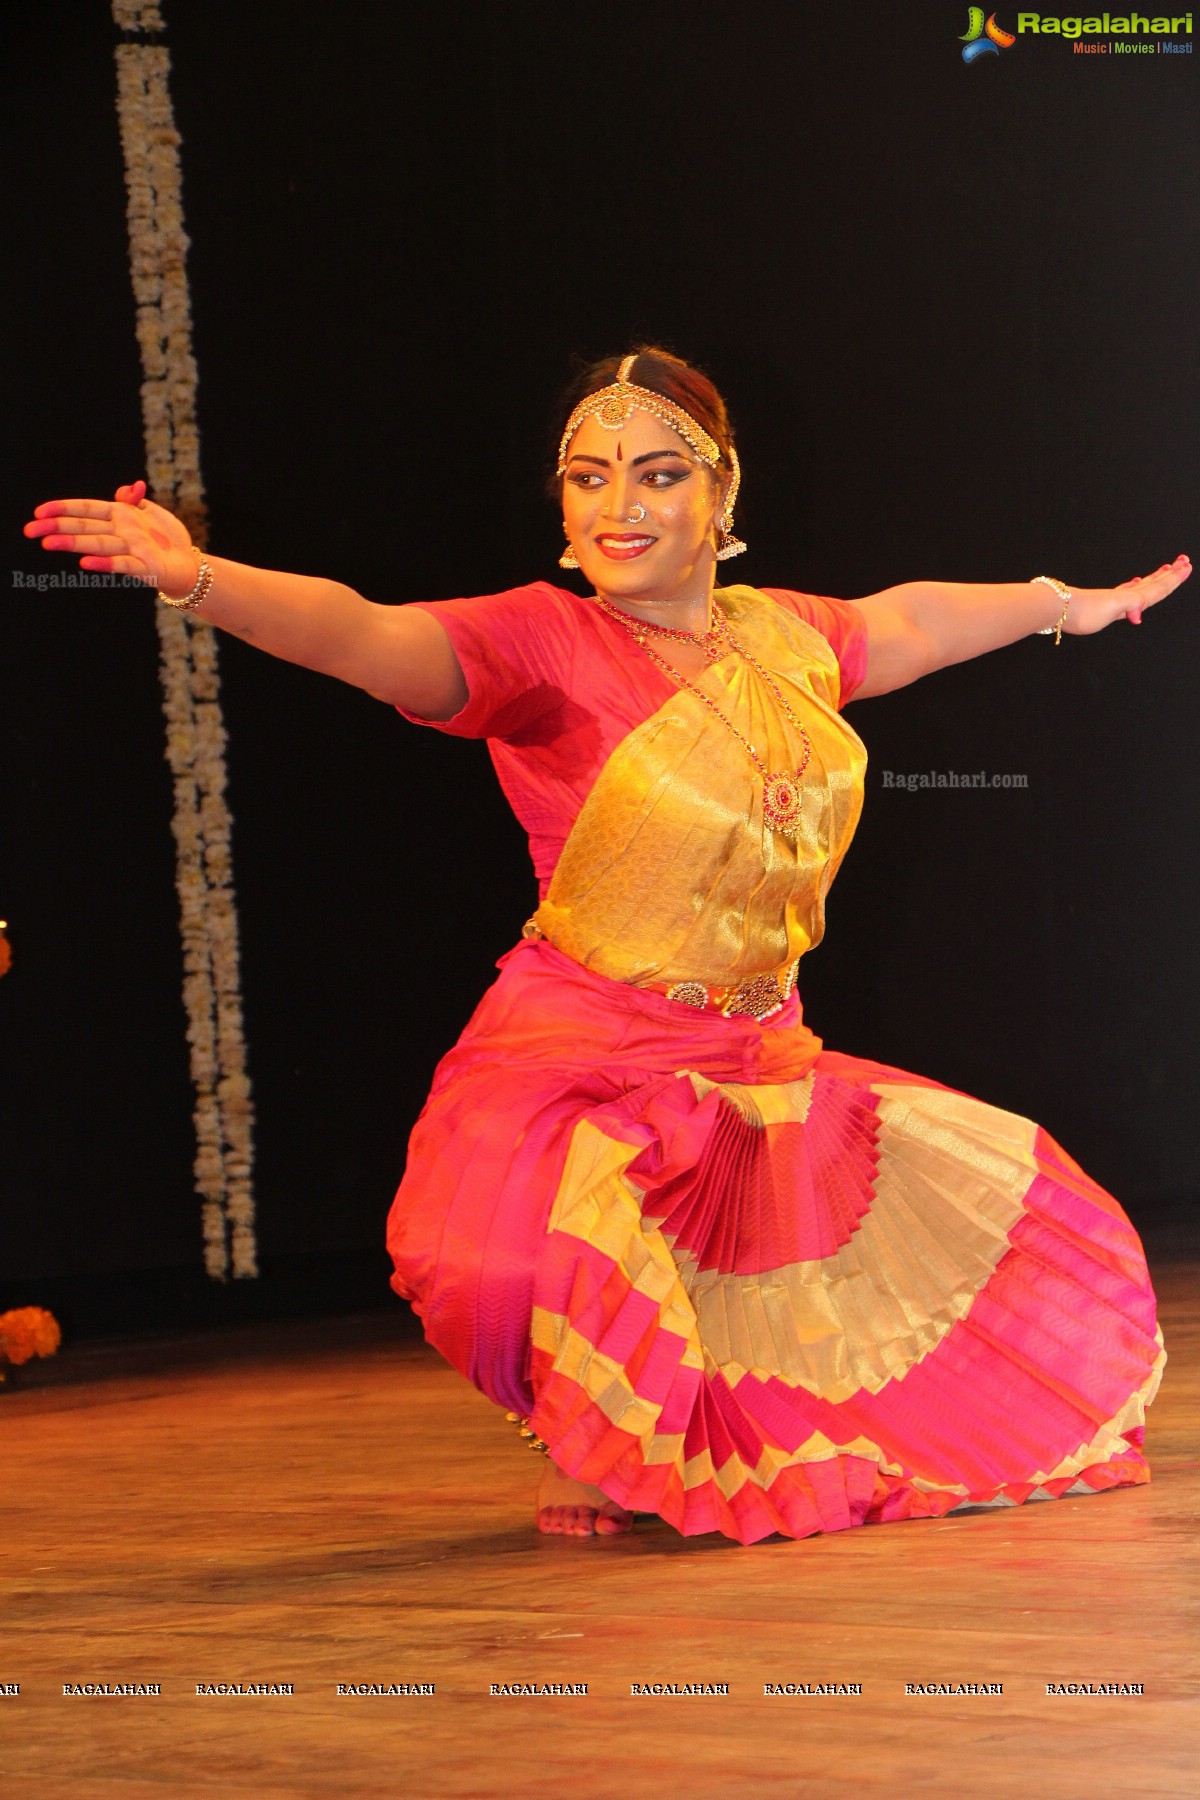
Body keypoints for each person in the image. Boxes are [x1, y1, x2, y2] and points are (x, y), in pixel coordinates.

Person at [24, 347, 1186, 1544]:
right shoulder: (539, 643)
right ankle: (590, 1429)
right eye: (588, 478)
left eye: (658, 473)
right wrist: (200, 579)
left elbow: (919, 618)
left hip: (758, 1061)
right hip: (583, 1043)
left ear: (722, 495)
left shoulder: (782, 641)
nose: (618, 506)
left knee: (1023, 1236)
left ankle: (653, 1441)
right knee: (497, 1263)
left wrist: (1070, 605)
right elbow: (363, 635)